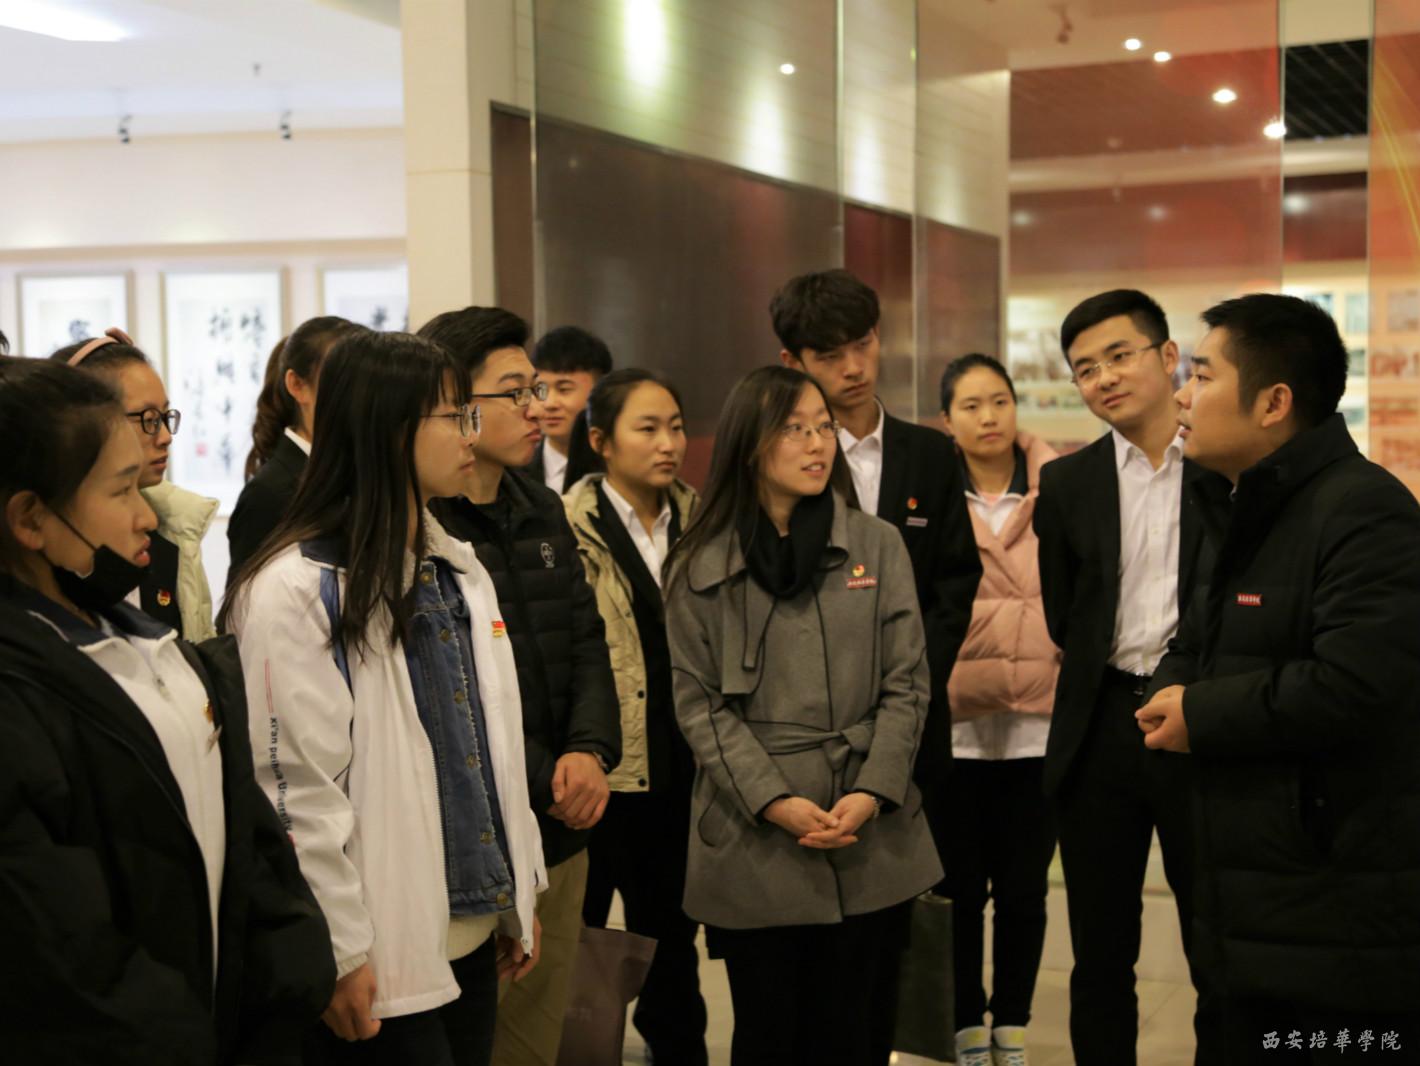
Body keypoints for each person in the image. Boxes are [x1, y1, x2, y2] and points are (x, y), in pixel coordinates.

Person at [222, 330, 547, 1066]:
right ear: (390, 427)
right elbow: (293, 787)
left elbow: (490, 744)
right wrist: (338, 949)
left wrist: (516, 895)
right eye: (454, 416)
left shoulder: (455, 568)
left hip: (470, 924)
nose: (471, 435)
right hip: (377, 946)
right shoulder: (295, 588)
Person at [0, 356, 334, 1064]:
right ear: (30, 518)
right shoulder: (22, 688)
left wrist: (289, 974)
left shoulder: (145, 640)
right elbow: (60, 953)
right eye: (121, 489)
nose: (146, 514)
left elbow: (244, 836)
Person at [1138, 294, 1420, 1065]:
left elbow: (1355, 685)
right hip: (1247, 898)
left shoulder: (1366, 511)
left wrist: (1201, 714)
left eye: (1202, 375)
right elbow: (1197, 640)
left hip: (1332, 911)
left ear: (1273, 402)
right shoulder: (1242, 503)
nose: (1183, 396)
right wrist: (1169, 690)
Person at [664, 364, 942, 1066]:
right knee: (770, 1033)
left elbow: (908, 682)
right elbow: (698, 705)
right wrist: (774, 801)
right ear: (750, 444)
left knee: (860, 1029)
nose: (818, 444)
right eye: (795, 429)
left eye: (824, 427)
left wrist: (872, 790)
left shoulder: (876, 544)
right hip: (756, 835)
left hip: (870, 828)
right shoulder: (699, 560)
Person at [772, 268, 982, 1061]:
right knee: (812, 938)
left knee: (899, 918)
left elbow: (956, 581)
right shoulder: (781, 456)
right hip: (805, 735)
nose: (854, 367)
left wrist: (906, 682)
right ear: (793, 362)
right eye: (830, 355)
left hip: (911, 724)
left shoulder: (930, 454)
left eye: (862, 344)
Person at [419, 306, 620, 1066]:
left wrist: (590, 751)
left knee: (537, 1039)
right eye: (516, 392)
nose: (538, 408)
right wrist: (548, 773)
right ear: (455, 404)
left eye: (537, 389)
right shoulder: (425, 522)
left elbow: (585, 638)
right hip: (480, 826)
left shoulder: (540, 507)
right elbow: (453, 692)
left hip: (563, 824)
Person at [1032, 289, 1214, 1065]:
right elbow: (1064, 614)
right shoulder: (1068, 483)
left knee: (1215, 944)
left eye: (1118, 356)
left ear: (1168, 357)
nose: (1103, 378)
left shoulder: (1223, 465)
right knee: (1100, 951)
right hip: (1103, 723)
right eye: (1084, 368)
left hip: (1204, 723)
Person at [565, 369, 708, 1065]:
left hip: (684, 768)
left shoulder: (705, 519)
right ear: (601, 441)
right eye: (647, 429)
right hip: (601, 773)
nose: (668, 443)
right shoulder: (567, 527)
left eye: (675, 427)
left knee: (672, 942)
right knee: (581, 941)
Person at [937, 354, 1060, 1066]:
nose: (989, 417)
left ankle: (1012, 1022)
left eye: (1000, 401)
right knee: (957, 891)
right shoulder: (931, 493)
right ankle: (962, 1023)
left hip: (1037, 725)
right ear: (947, 421)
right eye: (971, 405)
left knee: (1023, 891)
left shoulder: (1060, 486)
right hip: (956, 726)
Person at [53, 328, 219, 641]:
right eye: (149, 419)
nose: (166, 437)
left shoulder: (177, 527)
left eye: (165, 416)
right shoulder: (58, 555)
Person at [227, 315, 358, 580]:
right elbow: (245, 600)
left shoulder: (355, 473)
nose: (359, 393)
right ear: (297, 385)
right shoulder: (268, 494)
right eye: (343, 379)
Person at [528, 325, 613, 494]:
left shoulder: (616, 470)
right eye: (541, 390)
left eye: (564, 389)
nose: (549, 404)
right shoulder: (515, 471)